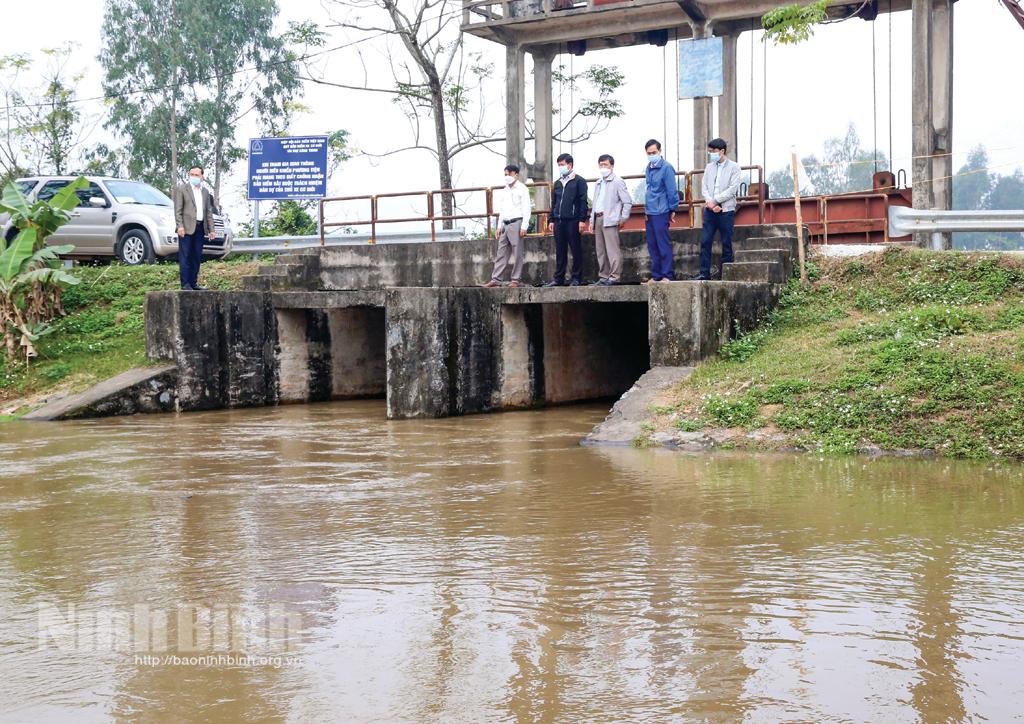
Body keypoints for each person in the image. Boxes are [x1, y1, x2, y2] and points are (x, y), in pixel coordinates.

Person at [698, 138, 742, 280]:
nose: (711, 154)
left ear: (722, 151)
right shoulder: (709, 167)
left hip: (726, 211)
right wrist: (710, 203)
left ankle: (726, 276)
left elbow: (732, 189)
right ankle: (704, 274)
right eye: (710, 151)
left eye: (713, 151)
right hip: (710, 211)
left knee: (726, 243)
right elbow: (704, 187)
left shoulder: (734, 167)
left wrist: (715, 201)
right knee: (705, 241)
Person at [482, 164, 532, 288]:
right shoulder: (505, 190)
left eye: (509, 174)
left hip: (517, 222)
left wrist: (524, 226)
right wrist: (499, 226)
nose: (507, 176)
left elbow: (526, 208)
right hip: (506, 223)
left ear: (516, 174)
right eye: (505, 174)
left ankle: (515, 279)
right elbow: (502, 209)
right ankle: (496, 279)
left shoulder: (522, 188)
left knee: (517, 252)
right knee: (501, 252)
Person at [544, 153, 589, 287]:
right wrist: (551, 220)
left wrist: (582, 219)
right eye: (559, 165)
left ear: (570, 165)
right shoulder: (557, 183)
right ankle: (559, 279)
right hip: (559, 221)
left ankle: (576, 278)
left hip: (573, 220)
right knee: (560, 250)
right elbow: (555, 203)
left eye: (562, 164)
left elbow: (583, 201)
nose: (560, 167)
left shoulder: (579, 181)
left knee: (575, 249)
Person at [588, 154, 632, 286]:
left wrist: (623, 218)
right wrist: (592, 221)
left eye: (605, 165)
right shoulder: (598, 183)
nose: (603, 167)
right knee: (600, 250)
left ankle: (614, 277)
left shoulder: (617, 181)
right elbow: (595, 203)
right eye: (601, 165)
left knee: (612, 250)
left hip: (611, 220)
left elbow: (627, 201)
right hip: (598, 218)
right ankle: (603, 276)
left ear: (611, 166)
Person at [172, 166, 217, 290]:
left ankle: (193, 283)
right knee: (185, 256)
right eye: (192, 174)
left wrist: (212, 229)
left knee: (196, 256)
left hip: (200, 227)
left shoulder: (205, 192)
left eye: (197, 175)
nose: (194, 177)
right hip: (185, 228)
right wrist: (179, 226)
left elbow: (208, 212)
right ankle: (185, 284)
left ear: (202, 177)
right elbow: (178, 210)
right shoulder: (182, 189)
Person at [643, 139, 678, 283]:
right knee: (652, 245)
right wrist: (646, 210)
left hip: (661, 210)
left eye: (654, 152)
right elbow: (649, 190)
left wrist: (673, 208)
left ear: (660, 151)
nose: (652, 155)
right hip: (650, 211)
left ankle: (667, 275)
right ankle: (656, 275)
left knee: (663, 244)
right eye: (649, 153)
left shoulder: (666, 168)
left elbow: (671, 190)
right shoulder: (648, 168)